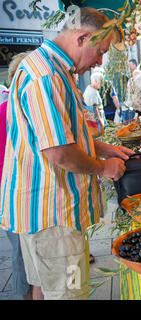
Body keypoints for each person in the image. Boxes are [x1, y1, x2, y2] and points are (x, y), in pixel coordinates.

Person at [0, 7, 134, 300]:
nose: (100, 61)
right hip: (53, 218)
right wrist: (103, 168)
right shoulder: (46, 76)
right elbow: (59, 152)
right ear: (83, 37)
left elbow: (60, 133)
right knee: (68, 293)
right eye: (100, 51)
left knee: (42, 288)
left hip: (43, 217)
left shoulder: (52, 69)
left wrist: (102, 147)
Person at [1, 51, 36, 300]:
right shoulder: (19, 109)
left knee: (21, 250)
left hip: (11, 191)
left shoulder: (9, 108)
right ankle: (26, 295)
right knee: (22, 253)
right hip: (16, 189)